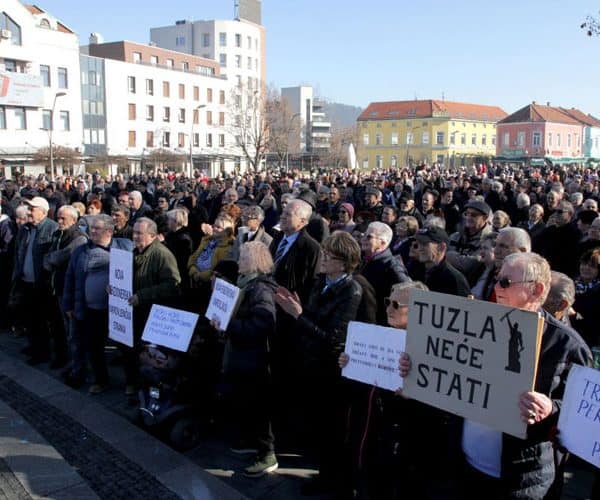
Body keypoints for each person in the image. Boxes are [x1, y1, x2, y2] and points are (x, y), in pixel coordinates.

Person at [401, 252, 592, 499]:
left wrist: (551, 408)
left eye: (505, 282)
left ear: (536, 290)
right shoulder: (474, 323)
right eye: (496, 278)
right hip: (461, 468)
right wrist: (415, 367)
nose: (496, 286)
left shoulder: (567, 345)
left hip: (520, 478)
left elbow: (582, 416)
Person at [275, 231, 363, 498]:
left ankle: (335, 482)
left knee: (333, 432)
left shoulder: (351, 290)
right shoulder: (321, 282)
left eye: (329, 255)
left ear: (344, 261)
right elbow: (313, 319)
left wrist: (299, 315)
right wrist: (299, 310)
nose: (322, 259)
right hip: (310, 364)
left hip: (330, 371)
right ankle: (323, 475)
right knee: (317, 428)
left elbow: (333, 338)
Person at [212, 241, 279, 478]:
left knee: (259, 406)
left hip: (255, 358)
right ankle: (252, 442)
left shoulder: (259, 289)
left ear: (253, 262)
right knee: (248, 402)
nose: (239, 261)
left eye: (243, 258)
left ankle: (267, 454)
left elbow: (262, 325)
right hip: (243, 355)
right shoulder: (246, 284)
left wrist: (230, 324)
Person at [62, 214, 133, 391]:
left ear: (109, 231)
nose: (92, 231)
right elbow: (70, 278)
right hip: (91, 309)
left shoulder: (125, 247)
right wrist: (68, 304)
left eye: (97, 228)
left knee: (125, 348)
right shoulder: (81, 251)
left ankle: (132, 383)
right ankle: (100, 380)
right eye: (91, 228)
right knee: (94, 346)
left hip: (118, 310)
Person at [125, 217, 181, 394]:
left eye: (139, 233)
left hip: (152, 314)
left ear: (152, 235)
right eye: (134, 232)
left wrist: (142, 296)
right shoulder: (136, 252)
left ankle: (147, 389)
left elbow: (173, 285)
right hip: (136, 311)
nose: (134, 236)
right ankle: (134, 384)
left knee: (148, 355)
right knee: (133, 350)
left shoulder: (162, 255)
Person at [10, 197, 58, 365]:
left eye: (32, 209)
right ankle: (33, 345)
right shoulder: (24, 229)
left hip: (41, 284)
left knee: (41, 320)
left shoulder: (52, 228)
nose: (29, 212)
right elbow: (18, 253)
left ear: (43, 212)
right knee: (29, 318)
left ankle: (42, 352)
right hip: (25, 282)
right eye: (28, 209)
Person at [43, 205, 88, 369]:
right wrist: (49, 259)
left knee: (72, 332)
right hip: (55, 286)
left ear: (74, 220)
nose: (59, 221)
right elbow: (47, 258)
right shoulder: (57, 234)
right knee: (57, 327)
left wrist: (50, 259)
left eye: (63, 218)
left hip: (68, 289)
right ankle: (61, 357)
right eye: (58, 217)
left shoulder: (79, 238)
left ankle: (76, 365)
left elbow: (58, 258)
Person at [359, 221, 411, 325]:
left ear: (383, 243)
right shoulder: (364, 260)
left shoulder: (392, 266)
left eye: (369, 237)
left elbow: (409, 293)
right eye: (364, 235)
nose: (363, 238)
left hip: (379, 324)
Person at [413, 226, 471, 296]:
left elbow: (466, 306)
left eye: (425, 244)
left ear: (441, 247)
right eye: (418, 243)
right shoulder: (414, 270)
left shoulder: (454, 280)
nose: (420, 248)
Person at [447, 200, 493, 285]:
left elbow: (472, 264)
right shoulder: (455, 236)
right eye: (466, 214)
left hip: (469, 286)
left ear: (485, 218)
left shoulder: (488, 240)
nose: (468, 217)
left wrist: (449, 256)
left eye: (473, 215)